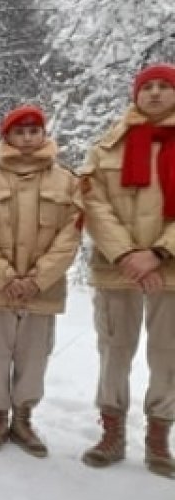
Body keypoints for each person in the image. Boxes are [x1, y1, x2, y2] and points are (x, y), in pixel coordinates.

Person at [0, 105, 82, 457]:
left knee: (34, 356)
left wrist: (37, 278)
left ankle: (24, 419)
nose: (28, 137)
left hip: (41, 289)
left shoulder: (67, 180)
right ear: (7, 137)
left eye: (34, 130)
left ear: (44, 134)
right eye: (20, 131)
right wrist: (5, 276)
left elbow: (70, 236)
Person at [80, 63, 175, 478]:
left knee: (168, 356)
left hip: (169, 270)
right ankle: (112, 430)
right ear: (136, 94)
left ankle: (158, 437)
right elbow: (93, 204)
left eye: (164, 87)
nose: (154, 94)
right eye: (147, 87)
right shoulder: (108, 147)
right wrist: (126, 256)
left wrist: (157, 253)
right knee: (114, 351)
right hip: (117, 269)